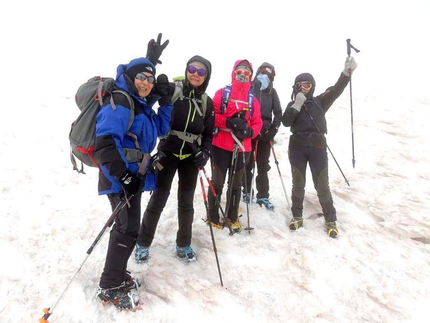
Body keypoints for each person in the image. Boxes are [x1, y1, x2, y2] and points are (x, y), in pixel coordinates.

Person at [94, 34, 172, 309]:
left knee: (130, 228)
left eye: (150, 79)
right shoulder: (121, 100)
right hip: (120, 178)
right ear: (129, 76)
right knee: (126, 228)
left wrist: (167, 101)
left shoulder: (139, 104)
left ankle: (117, 274)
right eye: (141, 77)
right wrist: (124, 177)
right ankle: (109, 284)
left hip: (132, 179)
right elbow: (103, 143)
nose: (146, 83)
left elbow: (160, 130)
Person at [134, 55, 214, 262]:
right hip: (167, 151)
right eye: (192, 70)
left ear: (206, 76)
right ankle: (142, 243)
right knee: (158, 198)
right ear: (187, 70)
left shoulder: (207, 102)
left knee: (186, 202)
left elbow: (208, 133)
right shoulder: (171, 89)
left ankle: (183, 244)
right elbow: (143, 96)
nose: (196, 74)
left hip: (191, 156)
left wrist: (205, 152)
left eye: (201, 72)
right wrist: (150, 63)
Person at [281, 56, 358, 238]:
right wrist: (297, 104)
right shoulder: (293, 104)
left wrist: (346, 73)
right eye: (300, 85)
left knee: (322, 184)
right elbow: (285, 122)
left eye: (307, 85)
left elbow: (336, 89)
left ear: (312, 86)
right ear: (295, 87)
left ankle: (330, 220)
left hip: (317, 146)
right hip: (297, 147)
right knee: (298, 183)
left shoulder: (320, 101)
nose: (303, 88)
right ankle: (297, 216)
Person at [207, 59, 263, 233]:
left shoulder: (253, 100)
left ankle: (231, 217)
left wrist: (248, 132)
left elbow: (258, 123)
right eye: (240, 71)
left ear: (251, 76)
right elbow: (211, 115)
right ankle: (213, 216)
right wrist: (229, 122)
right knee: (217, 182)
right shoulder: (222, 93)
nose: (243, 75)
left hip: (242, 147)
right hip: (220, 145)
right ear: (234, 72)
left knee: (236, 184)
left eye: (247, 73)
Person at [242, 62, 282, 210]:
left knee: (263, 165)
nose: (265, 75)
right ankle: (246, 191)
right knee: (247, 163)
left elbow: (278, 113)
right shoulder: (249, 88)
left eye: (269, 73)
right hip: (250, 130)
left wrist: (273, 130)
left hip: (265, 132)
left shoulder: (272, 92)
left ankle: (263, 195)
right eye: (263, 72)